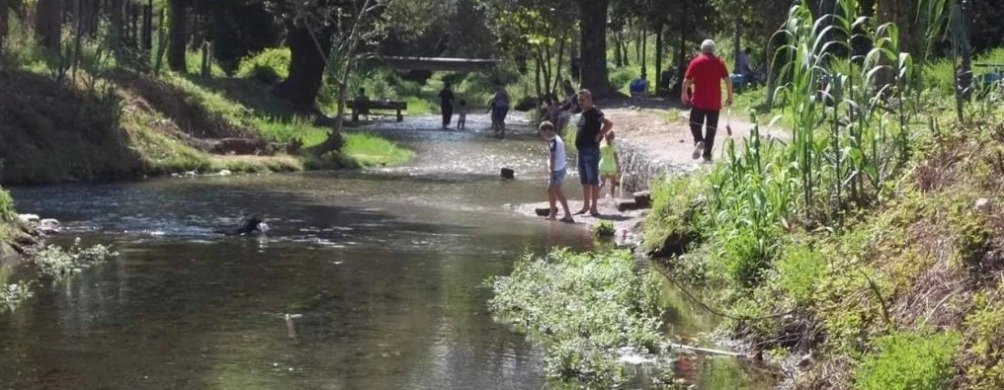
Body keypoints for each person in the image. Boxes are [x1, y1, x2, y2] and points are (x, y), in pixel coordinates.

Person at [681, 39, 734, 163]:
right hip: (714, 102)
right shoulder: (719, 62)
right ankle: (707, 155)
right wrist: (730, 96)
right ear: (713, 50)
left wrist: (684, 93)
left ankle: (699, 140)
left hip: (698, 101)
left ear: (702, 49)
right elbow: (728, 80)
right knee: (711, 129)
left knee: (694, 124)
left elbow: (686, 80)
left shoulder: (696, 61)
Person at [574, 89, 613, 216]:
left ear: (589, 99)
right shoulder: (583, 113)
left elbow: (608, 124)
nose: (580, 102)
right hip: (581, 150)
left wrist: (600, 134)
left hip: (591, 150)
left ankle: (594, 208)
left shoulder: (596, 113)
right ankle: (585, 206)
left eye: (582, 100)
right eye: (579, 100)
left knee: (593, 180)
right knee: (584, 180)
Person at [539, 121, 574, 223]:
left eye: (543, 132)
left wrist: (551, 171)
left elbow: (553, 157)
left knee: (556, 191)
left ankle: (567, 215)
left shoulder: (553, 141)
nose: (542, 135)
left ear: (548, 130)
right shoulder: (557, 138)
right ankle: (553, 214)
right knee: (552, 190)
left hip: (556, 169)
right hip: (560, 168)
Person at [598, 131, 621, 199]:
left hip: (602, 166)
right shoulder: (613, 147)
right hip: (611, 166)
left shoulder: (601, 146)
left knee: (602, 183)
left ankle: (595, 194)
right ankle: (612, 196)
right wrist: (618, 167)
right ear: (613, 138)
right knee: (613, 183)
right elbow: (616, 158)